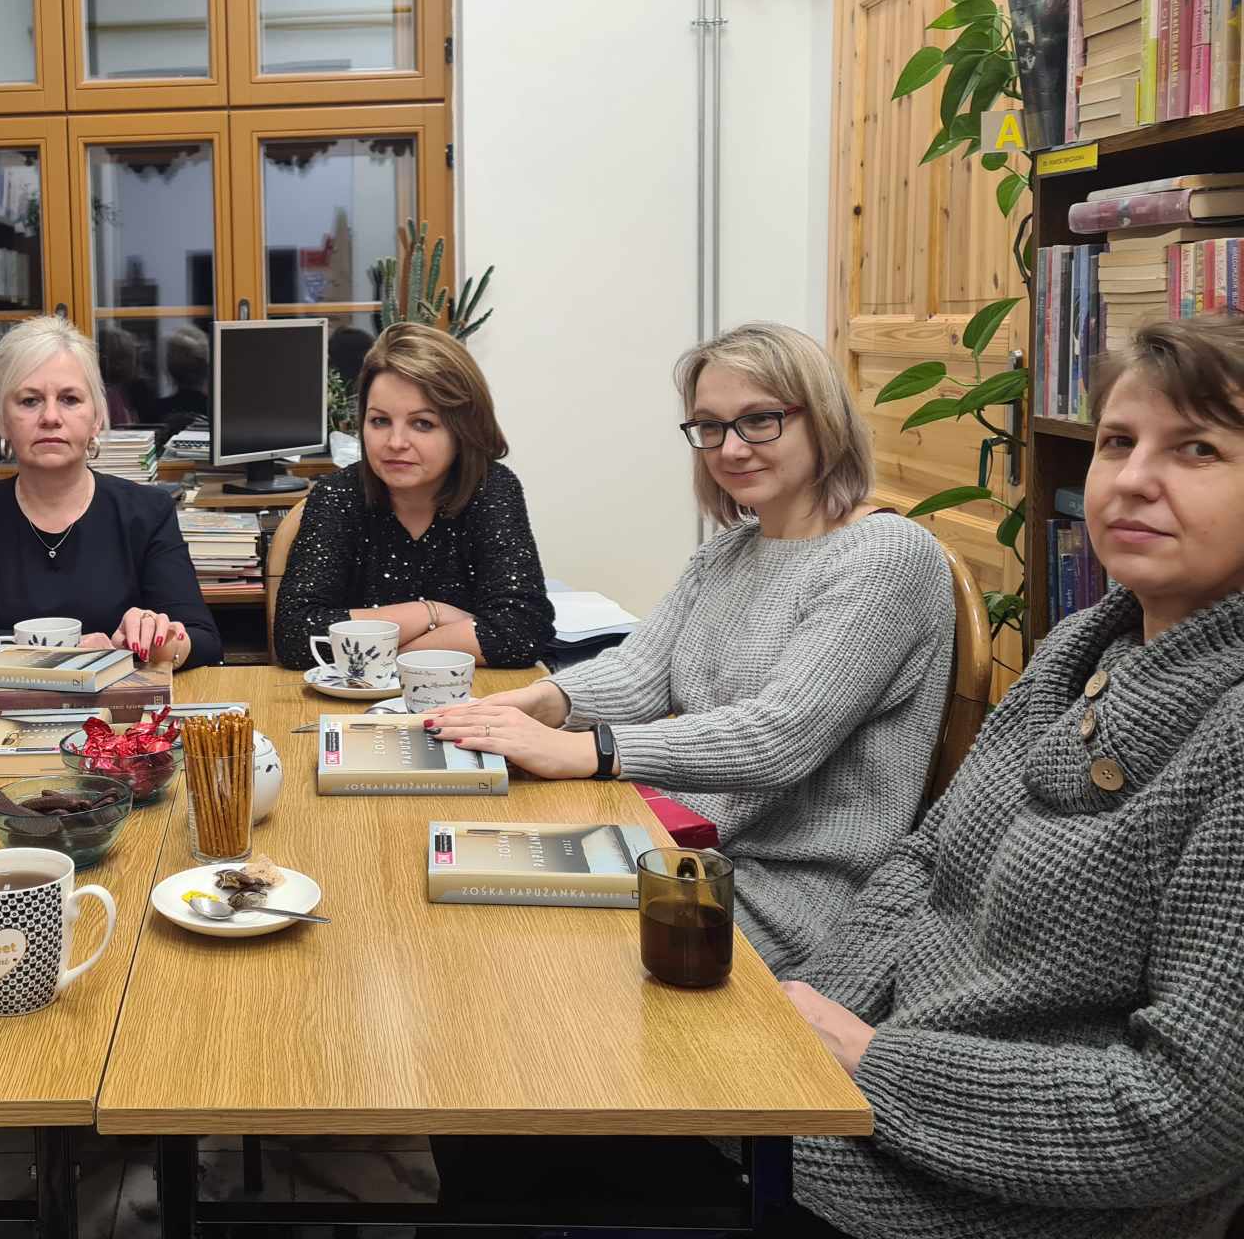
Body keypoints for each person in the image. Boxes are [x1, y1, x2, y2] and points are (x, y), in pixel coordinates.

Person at [774, 313, 1244, 1238]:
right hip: (871, 1106)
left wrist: (870, 1063)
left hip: (1012, 1201)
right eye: (1118, 441)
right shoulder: (1080, 650)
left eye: (1198, 449)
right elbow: (925, 865)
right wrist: (803, 1036)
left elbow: (1183, 1118)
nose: (1133, 479)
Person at [428, 322, 953, 975]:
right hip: (684, 848)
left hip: (791, 897)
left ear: (822, 419)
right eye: (709, 426)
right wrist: (542, 701)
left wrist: (592, 750)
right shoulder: (728, 552)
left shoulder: (887, 555)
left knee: (508, 952)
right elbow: (639, 673)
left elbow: (778, 737)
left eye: (759, 420)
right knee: (456, 885)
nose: (730, 448)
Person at [0, 315, 221, 667]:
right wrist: (45, 648)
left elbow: (205, 641)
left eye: (70, 399)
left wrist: (163, 642)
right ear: (1, 421)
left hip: (116, 702)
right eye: (30, 401)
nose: (50, 417)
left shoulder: (148, 511)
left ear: (96, 419)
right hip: (1, 702)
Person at [272, 320, 552, 670]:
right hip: (355, 697)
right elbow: (296, 635)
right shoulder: (337, 495)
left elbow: (523, 631)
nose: (395, 443)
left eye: (422, 424)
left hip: (471, 696)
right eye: (380, 421)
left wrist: (382, 651)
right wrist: (432, 613)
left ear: (462, 429)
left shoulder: (491, 488)